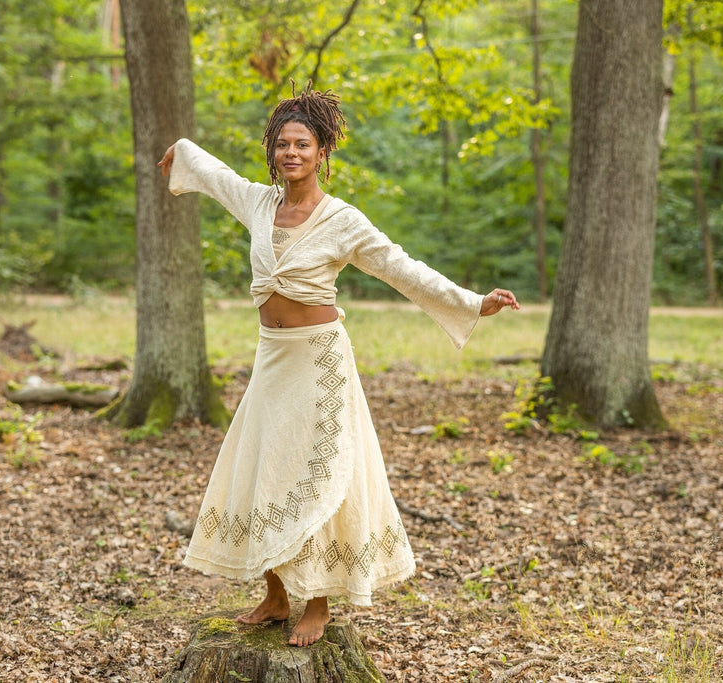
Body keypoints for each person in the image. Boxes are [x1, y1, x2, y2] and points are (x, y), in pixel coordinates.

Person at [157, 83, 520, 648]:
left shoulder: (342, 219)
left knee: (319, 471)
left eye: (302, 144)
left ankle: (318, 601)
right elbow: (216, 174)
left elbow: (403, 269)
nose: (291, 153)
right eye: (282, 144)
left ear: (323, 152)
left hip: (320, 360)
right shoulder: (259, 202)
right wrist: (182, 153)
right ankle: (276, 593)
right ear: (273, 151)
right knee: (265, 465)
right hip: (271, 358)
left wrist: (474, 302)